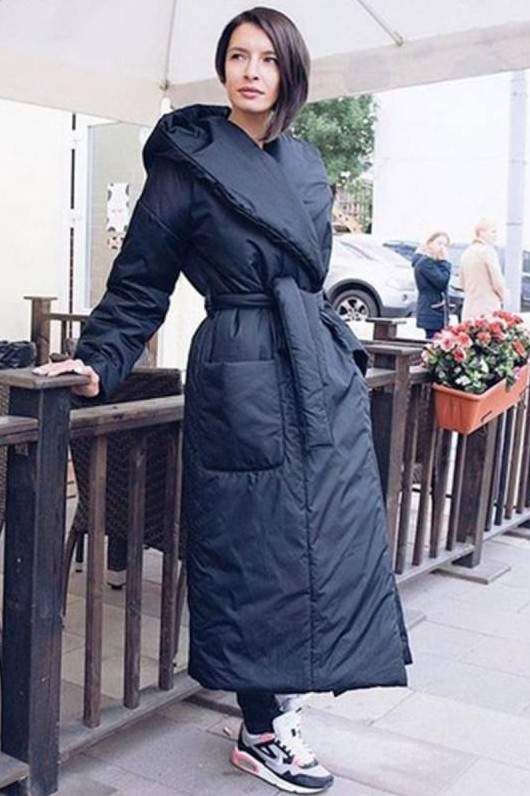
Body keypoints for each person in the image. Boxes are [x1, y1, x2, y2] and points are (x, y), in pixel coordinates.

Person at [34, 7, 412, 794]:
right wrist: (101, 356)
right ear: (223, 68)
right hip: (240, 368)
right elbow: (142, 280)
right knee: (255, 546)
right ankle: (261, 726)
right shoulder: (189, 162)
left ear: (289, 71)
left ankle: (286, 703)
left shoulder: (305, 161)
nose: (250, 72)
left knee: (325, 537)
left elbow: (307, 272)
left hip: (312, 366)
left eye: (266, 59)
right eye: (237, 56)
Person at [459, 219, 506, 320]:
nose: (495, 236)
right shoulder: (488, 252)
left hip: (469, 307)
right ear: (481, 233)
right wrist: (503, 296)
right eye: (493, 231)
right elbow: (497, 282)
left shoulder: (466, 253)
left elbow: (461, 283)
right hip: (488, 307)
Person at [412, 231, 452, 339]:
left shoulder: (433, 263)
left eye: (445, 245)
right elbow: (442, 282)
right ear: (430, 244)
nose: (442, 248)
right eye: (439, 243)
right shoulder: (426, 263)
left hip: (437, 310)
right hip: (431, 310)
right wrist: (444, 262)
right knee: (433, 341)